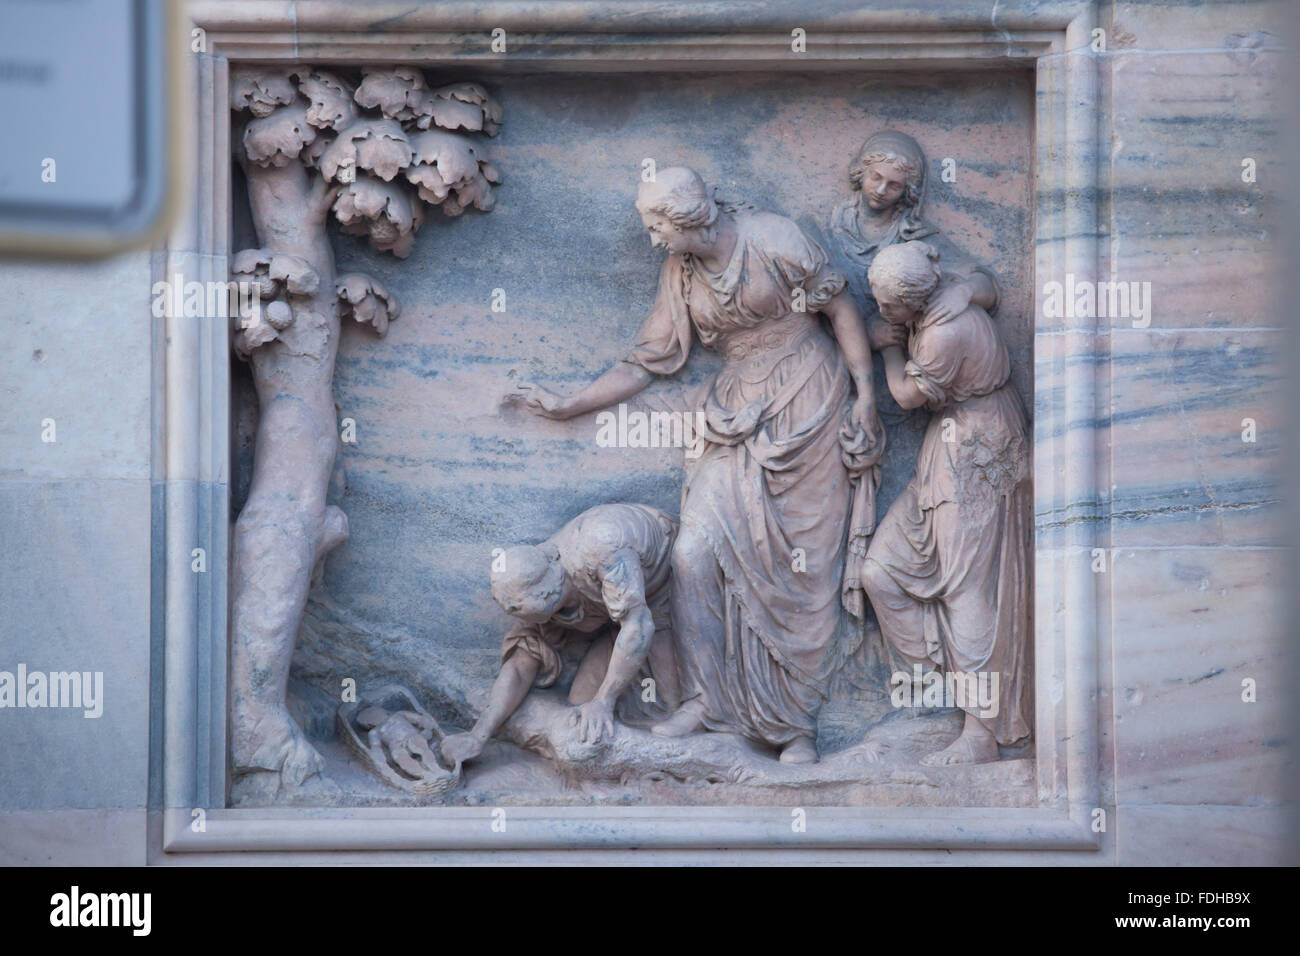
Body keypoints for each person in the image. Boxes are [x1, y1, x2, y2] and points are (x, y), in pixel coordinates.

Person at [513, 167, 884, 763]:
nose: (654, 238)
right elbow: (646, 363)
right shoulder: (680, 273)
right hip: (733, 412)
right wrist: (570, 404)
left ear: (690, 217)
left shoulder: (773, 237)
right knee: (693, 554)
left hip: (809, 404)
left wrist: (866, 397)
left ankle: (795, 726)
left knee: (799, 571)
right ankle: (707, 703)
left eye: (658, 225)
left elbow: (841, 311)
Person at [862, 239, 1032, 765]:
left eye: (887, 305)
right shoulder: (951, 292)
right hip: (951, 444)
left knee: (967, 589)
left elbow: (908, 396)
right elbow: (986, 283)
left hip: (978, 449)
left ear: (912, 301)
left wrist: (886, 348)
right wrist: (965, 288)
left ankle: (981, 733)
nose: (881, 311)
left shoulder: (941, 333)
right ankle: (940, 688)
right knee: (879, 570)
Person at [439, 503, 680, 766]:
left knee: (664, 705)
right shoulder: (537, 582)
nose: (523, 619)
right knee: (579, 708)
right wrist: (478, 735)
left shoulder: (602, 548)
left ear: (548, 593)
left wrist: (604, 701)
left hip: (668, 588)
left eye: (526, 611)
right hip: (622, 620)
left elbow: (638, 626)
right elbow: (521, 667)